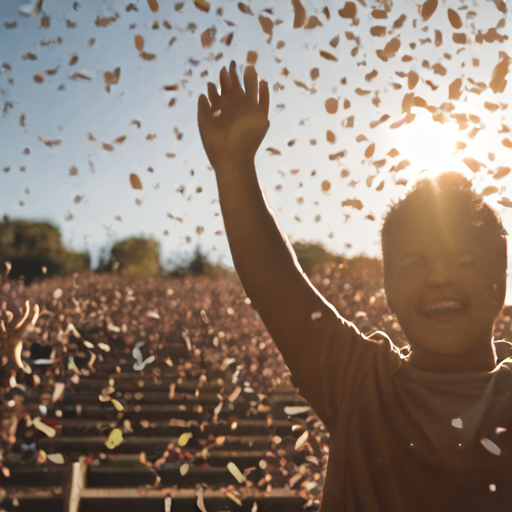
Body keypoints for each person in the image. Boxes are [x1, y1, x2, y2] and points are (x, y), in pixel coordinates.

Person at [197, 60, 512, 511]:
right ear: (386, 284)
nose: (439, 277)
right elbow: (277, 287)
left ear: (500, 268)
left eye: (463, 259)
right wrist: (234, 169)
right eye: (413, 262)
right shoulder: (361, 382)